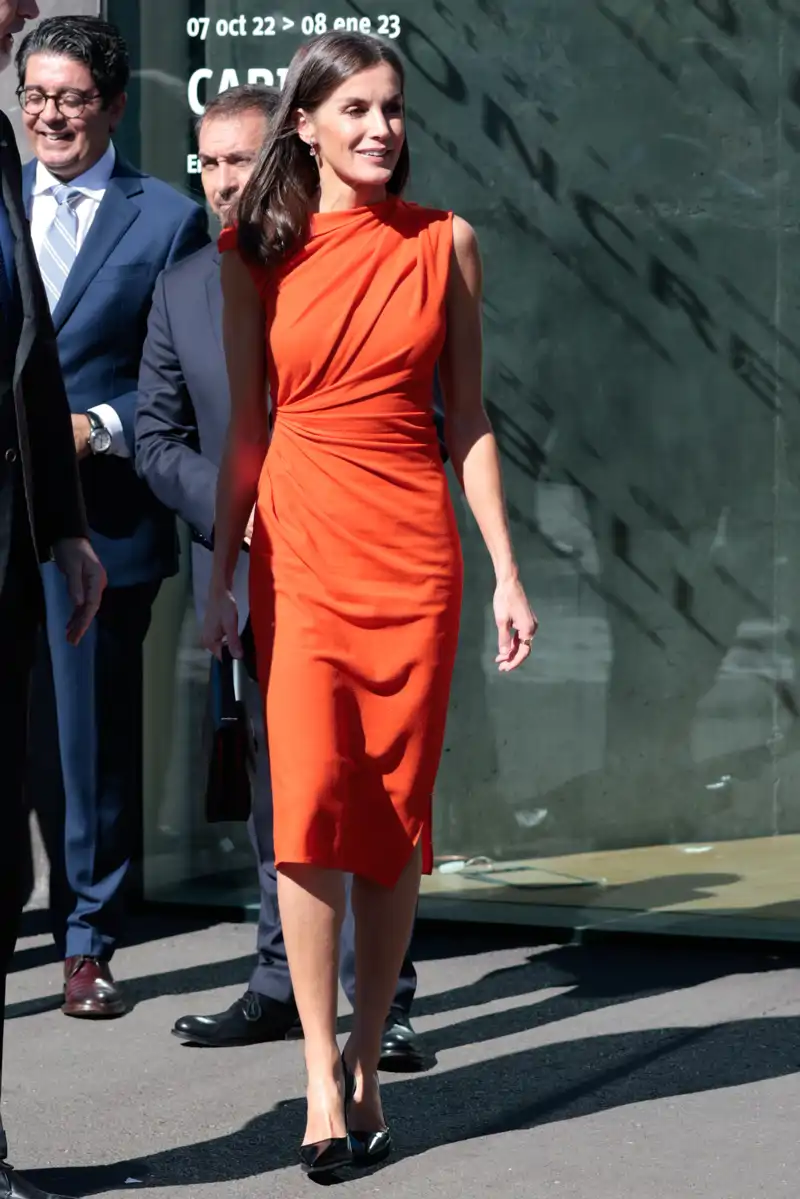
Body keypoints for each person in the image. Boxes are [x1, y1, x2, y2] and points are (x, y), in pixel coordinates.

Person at [203, 31, 537, 1176]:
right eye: (353, 109)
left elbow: (471, 419)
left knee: (392, 821)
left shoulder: (445, 243)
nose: (378, 129)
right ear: (304, 123)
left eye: (390, 108)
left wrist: (505, 566)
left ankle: (362, 1051)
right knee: (305, 814)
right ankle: (314, 1074)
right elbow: (246, 426)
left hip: (412, 554)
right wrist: (218, 572)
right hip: (299, 548)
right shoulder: (250, 249)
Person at [135, 83, 429, 1072]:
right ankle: (276, 981)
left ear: (286, 159)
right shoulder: (184, 284)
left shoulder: (357, 260)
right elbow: (156, 435)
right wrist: (240, 511)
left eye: (239, 161)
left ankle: (378, 1002)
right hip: (252, 566)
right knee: (281, 790)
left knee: (367, 781)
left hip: (364, 558)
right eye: (208, 162)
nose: (223, 181)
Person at [17, 14, 208, 1020]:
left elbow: (181, 377)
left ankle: (88, 941)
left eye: (74, 98)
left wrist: (101, 424)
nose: (53, 115)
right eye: (37, 96)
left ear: (116, 106)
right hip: (7, 513)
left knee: (87, 740)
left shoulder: (166, 219)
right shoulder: (0, 202)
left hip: (99, 516)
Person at [0, 2, 106, 1194]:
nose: (21, 18)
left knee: (2, 869)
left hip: (13, 553)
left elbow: (28, 347)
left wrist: (67, 525)